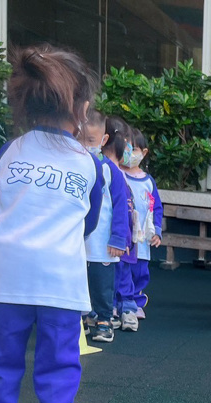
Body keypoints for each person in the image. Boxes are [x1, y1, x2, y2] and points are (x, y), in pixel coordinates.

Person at [0, 44, 103, 403]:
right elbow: (89, 222)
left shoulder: (11, 151)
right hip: (59, 279)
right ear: (82, 108)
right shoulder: (88, 163)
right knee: (59, 360)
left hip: (4, 274)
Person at [80, 109, 130, 344]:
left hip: (102, 242)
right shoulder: (74, 165)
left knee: (102, 283)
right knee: (79, 279)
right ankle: (82, 317)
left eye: (90, 140)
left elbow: (121, 207)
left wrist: (119, 238)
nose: (84, 145)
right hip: (77, 240)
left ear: (103, 140)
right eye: (80, 138)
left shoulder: (111, 170)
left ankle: (104, 319)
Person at [116, 127, 162, 331]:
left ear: (143, 153)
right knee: (121, 270)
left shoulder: (148, 181)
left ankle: (136, 300)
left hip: (142, 238)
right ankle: (121, 302)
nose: (129, 153)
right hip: (125, 236)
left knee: (140, 271)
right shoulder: (118, 174)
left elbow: (156, 207)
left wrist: (157, 231)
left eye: (133, 149)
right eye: (125, 148)